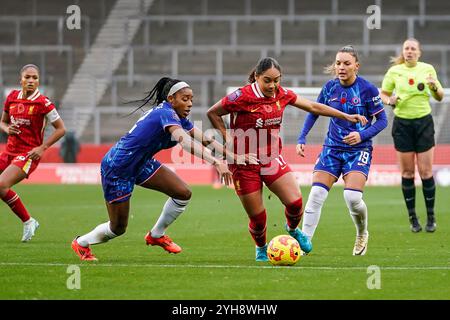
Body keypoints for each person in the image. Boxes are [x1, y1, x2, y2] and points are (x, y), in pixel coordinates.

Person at [207, 57, 368, 261]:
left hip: (271, 158)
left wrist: (345, 116)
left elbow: (313, 107)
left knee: (295, 203)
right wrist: (229, 139)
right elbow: (213, 113)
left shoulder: (281, 94)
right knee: (258, 218)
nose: (273, 85)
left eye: (277, 80)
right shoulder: (242, 96)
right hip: (243, 164)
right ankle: (261, 248)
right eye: (267, 80)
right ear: (256, 77)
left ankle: (292, 229)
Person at [71, 77, 237, 261]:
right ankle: (81, 243)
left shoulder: (178, 117)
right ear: (171, 99)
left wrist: (233, 157)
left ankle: (156, 235)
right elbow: (185, 141)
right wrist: (215, 162)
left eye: (191, 99)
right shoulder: (164, 113)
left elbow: (205, 140)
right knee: (117, 228)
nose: (189, 104)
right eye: (185, 99)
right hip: (118, 167)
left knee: (182, 192)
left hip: (142, 163)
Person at [297, 45, 388, 255]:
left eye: (346, 63)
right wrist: (302, 137)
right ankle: (303, 245)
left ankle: (362, 233)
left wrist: (361, 135)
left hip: (359, 149)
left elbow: (382, 120)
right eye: (338, 63)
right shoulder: (329, 88)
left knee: (352, 198)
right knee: (316, 193)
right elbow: (313, 111)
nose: (341, 67)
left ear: (356, 66)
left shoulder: (368, 89)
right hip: (332, 148)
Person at [380, 38, 444, 233]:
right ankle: (413, 218)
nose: (409, 51)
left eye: (412, 48)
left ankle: (431, 217)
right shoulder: (394, 71)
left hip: (423, 123)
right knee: (407, 173)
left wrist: (433, 87)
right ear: (403, 52)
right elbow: (383, 94)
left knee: (425, 172)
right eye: (406, 48)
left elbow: (440, 96)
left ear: (419, 52)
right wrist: (390, 100)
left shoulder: (427, 69)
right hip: (402, 125)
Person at [0, 64, 66, 242]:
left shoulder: (43, 103)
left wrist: (42, 148)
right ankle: (29, 221)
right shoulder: (12, 98)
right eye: (27, 77)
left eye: (34, 78)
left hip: (28, 155)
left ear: (38, 81)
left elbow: (61, 129)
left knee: (1, 185)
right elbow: (3, 122)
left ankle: (28, 221)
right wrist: (7, 129)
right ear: (20, 80)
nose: (31, 81)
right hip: (8, 152)